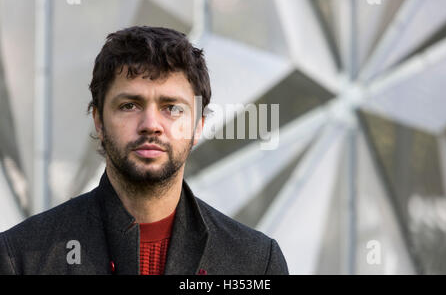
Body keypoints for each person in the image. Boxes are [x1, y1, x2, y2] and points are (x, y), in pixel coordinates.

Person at [0, 26, 289, 275]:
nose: (151, 125)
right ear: (99, 121)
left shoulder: (255, 262)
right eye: (130, 105)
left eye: (172, 108)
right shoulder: (21, 258)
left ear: (198, 126)